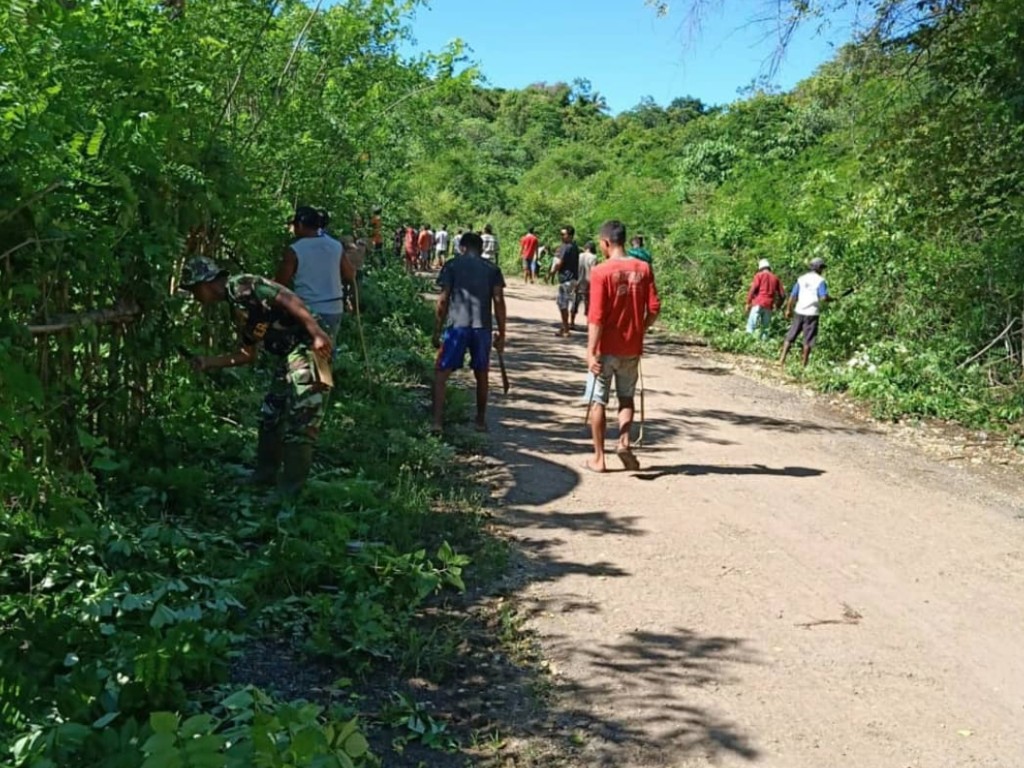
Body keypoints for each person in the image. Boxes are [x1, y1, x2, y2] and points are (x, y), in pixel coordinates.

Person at [178, 257, 334, 496]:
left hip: (307, 348)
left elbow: (287, 298)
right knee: (271, 413)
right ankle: (265, 475)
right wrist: (209, 362)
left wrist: (317, 333)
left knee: (303, 417)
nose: (196, 297)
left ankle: (290, 493)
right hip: (287, 357)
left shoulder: (242, 285)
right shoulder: (237, 305)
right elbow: (247, 353)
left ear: (205, 283)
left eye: (194, 290)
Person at [585, 220, 660, 473]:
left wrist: (590, 352)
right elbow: (655, 308)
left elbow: (596, 316)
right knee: (626, 398)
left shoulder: (600, 272)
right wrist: (640, 329)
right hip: (631, 347)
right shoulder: (644, 268)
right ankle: (624, 441)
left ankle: (599, 459)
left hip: (605, 348)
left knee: (598, 402)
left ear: (606, 243)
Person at [432, 232, 507, 433]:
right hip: (482, 328)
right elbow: (498, 301)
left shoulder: (452, 265)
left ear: (461, 247)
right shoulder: (492, 269)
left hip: (457, 326)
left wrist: (437, 330)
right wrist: (502, 333)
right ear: (481, 249)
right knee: (481, 373)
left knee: (441, 373)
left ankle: (437, 422)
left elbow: (443, 300)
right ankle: (480, 421)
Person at [274, 206, 354, 341]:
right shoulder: (335, 245)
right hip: (334, 308)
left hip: (307, 310)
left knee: (304, 352)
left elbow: (280, 284)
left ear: (299, 225)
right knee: (326, 351)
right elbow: (349, 275)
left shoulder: (294, 250)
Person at [780, 256, 836, 368]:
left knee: (791, 335)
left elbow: (793, 296)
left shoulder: (801, 279)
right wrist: (832, 299)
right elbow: (823, 297)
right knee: (808, 340)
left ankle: (782, 359)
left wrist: (788, 309)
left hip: (799, 310)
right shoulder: (821, 281)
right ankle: (803, 365)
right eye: (822, 268)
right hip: (812, 313)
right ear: (819, 268)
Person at [550, 225, 581, 336]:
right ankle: (565, 327)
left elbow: (560, 262)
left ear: (570, 235)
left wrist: (551, 273)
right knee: (565, 303)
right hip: (573, 279)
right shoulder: (575, 247)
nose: (561, 236)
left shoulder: (565, 247)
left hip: (566, 279)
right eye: (561, 234)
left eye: (563, 234)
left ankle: (566, 329)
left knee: (562, 304)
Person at [745, 258, 785, 339]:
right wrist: (778, 305)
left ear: (760, 268)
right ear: (769, 268)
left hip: (758, 303)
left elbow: (753, 289)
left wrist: (748, 302)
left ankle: (747, 342)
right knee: (765, 329)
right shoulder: (775, 278)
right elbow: (783, 295)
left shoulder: (759, 275)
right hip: (769, 305)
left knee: (751, 326)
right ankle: (762, 346)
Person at [572, 240, 598, 330]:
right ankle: (588, 325)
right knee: (588, 304)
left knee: (575, 302)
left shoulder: (579, 256)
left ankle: (572, 322)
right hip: (588, 283)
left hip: (577, 282)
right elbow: (593, 270)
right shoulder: (594, 257)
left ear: (586, 248)